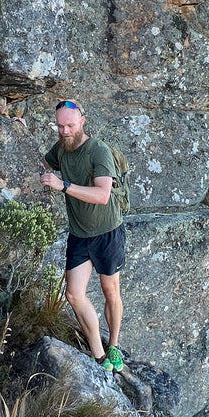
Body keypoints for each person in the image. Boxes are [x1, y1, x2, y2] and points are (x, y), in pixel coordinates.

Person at [39, 99, 126, 373]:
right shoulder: (62, 148)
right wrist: (20, 130)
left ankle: (113, 345)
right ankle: (99, 357)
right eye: (60, 126)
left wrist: (63, 185)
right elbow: (43, 160)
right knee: (74, 294)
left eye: (70, 125)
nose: (64, 131)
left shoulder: (97, 150)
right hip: (79, 234)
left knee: (110, 290)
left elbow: (102, 195)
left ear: (83, 121)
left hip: (107, 232)